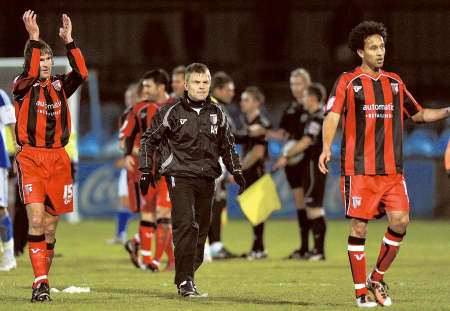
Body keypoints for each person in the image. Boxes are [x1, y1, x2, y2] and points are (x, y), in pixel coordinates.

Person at [318, 21, 450, 308]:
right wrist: (326, 148)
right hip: (360, 169)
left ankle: (376, 278)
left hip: (392, 171)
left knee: (401, 221)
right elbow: (332, 117)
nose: (380, 52)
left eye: (382, 46)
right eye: (373, 48)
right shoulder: (347, 82)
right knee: (360, 228)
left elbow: (420, 115)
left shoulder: (394, 82)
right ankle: (359, 293)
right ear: (359, 52)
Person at [139, 63, 245, 297]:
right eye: (196, 82)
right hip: (180, 176)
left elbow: (227, 146)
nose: (201, 87)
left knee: (201, 232)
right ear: (186, 85)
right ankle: (185, 281)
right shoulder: (171, 111)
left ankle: (186, 276)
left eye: (205, 82)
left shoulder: (218, 113)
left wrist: (236, 171)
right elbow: (148, 140)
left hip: (207, 178)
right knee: (186, 225)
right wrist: (145, 170)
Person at [13, 11, 88, 302]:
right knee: (35, 219)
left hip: (58, 159)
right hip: (31, 158)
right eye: (40, 59)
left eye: (47, 59)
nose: (44, 64)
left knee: (50, 228)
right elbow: (30, 73)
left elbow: (81, 73)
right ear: (33, 61)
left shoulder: (59, 86)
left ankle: (44, 276)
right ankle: (40, 282)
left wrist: (69, 42)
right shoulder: (22, 85)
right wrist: (34, 37)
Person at [251, 68, 313, 259]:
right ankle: (304, 247)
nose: (295, 87)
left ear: (307, 85)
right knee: (300, 204)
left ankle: (315, 248)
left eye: (298, 83)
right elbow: (282, 135)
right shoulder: (290, 108)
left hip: (308, 160)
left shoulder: (313, 107)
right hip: (292, 160)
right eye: (292, 84)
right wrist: (264, 131)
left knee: (312, 205)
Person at [125, 69, 175, 272]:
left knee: (163, 215)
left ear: (161, 87)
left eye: (148, 86)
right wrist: (129, 154)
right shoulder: (140, 109)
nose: (143, 89)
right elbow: (128, 136)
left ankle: (156, 260)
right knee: (148, 213)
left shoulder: (177, 107)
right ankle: (149, 259)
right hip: (146, 171)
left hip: (170, 172)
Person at [272, 83, 327, 261]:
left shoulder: (318, 117)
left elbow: (306, 141)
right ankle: (314, 250)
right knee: (310, 207)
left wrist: (286, 155)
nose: (302, 100)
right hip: (310, 165)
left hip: (314, 165)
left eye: (305, 96)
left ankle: (319, 251)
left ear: (312, 98)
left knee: (314, 208)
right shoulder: (313, 116)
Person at [237, 86, 271, 259]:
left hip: (256, 171)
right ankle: (258, 248)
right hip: (249, 170)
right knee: (252, 210)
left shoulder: (261, 123)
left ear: (257, 102)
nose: (242, 103)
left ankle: (259, 249)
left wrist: (238, 169)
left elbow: (257, 152)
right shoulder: (247, 122)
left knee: (256, 210)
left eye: (246, 99)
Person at [208, 71, 239, 260]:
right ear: (218, 89)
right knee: (211, 203)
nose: (232, 93)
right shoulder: (214, 106)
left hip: (216, 161)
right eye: (229, 89)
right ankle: (208, 246)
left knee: (218, 202)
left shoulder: (218, 106)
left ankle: (214, 245)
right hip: (212, 161)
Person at [107, 83, 138, 245]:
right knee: (124, 200)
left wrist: (130, 155)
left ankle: (140, 237)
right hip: (129, 163)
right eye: (127, 97)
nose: (128, 100)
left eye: (130, 97)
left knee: (140, 203)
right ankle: (121, 234)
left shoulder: (142, 115)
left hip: (138, 164)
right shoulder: (126, 116)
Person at [0, 89, 17, 272]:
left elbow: (12, 123)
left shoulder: (0, 96)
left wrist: (18, 153)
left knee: (0, 208)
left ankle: (9, 256)